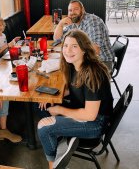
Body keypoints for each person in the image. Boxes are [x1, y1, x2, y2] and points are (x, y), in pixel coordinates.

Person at [38, 29, 113, 169]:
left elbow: (90, 115)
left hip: (95, 123)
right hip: (82, 109)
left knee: (44, 128)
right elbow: (74, 89)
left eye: (74, 46)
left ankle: (54, 164)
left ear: (84, 49)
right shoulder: (75, 65)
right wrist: (51, 98)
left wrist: (59, 108)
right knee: (41, 106)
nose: (68, 50)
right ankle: (64, 141)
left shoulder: (92, 74)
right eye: (65, 45)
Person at [53, 0, 114, 71]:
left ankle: (75, 81)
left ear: (83, 10)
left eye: (76, 9)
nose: (72, 13)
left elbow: (95, 50)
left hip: (102, 62)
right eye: (70, 10)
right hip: (88, 59)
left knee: (64, 69)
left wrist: (74, 55)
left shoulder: (92, 22)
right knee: (62, 66)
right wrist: (60, 24)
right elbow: (57, 39)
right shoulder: (74, 23)